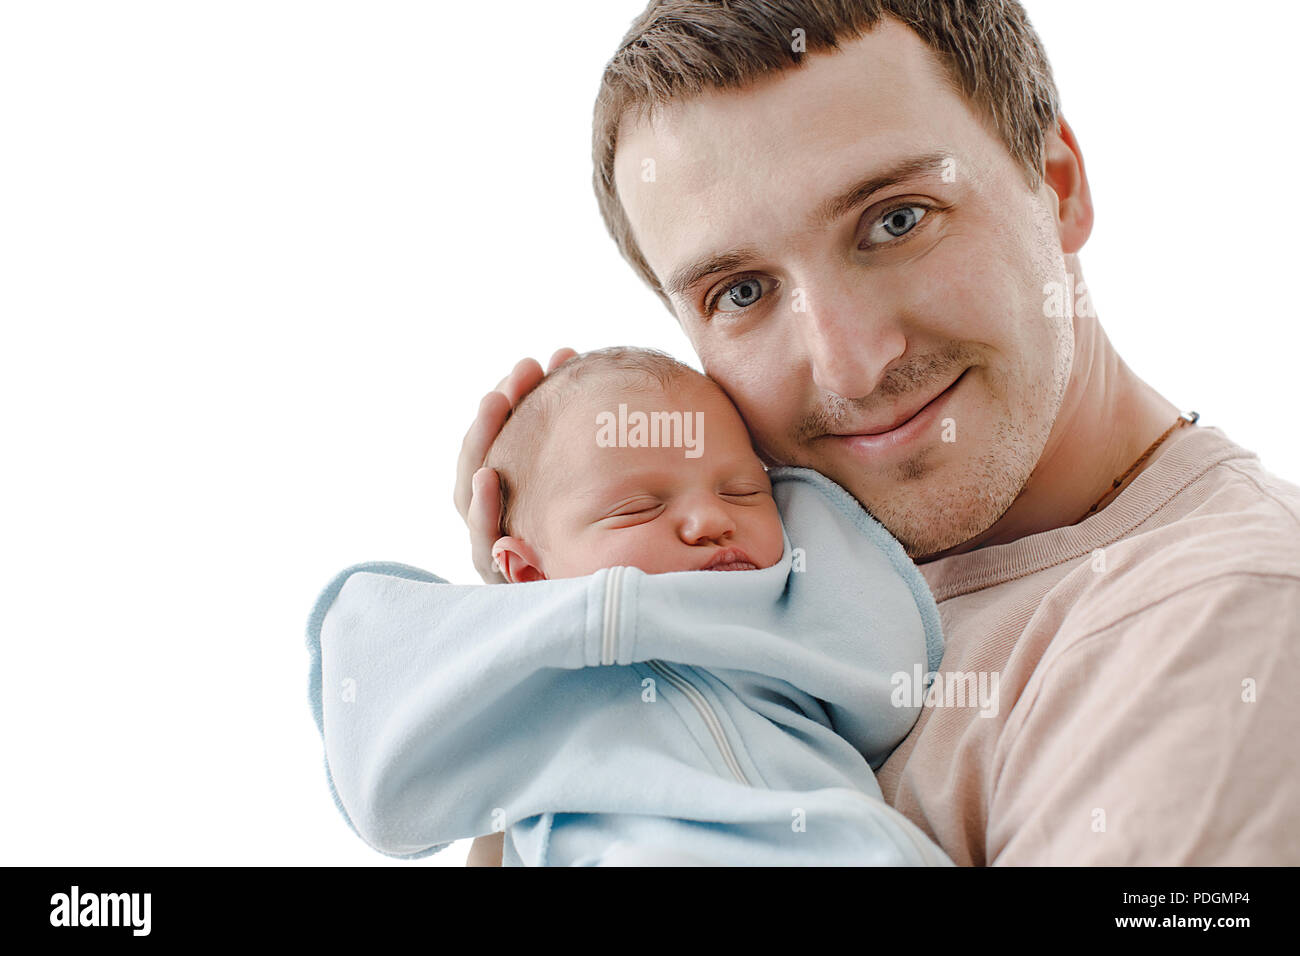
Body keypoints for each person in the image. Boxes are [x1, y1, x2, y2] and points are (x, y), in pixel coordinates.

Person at [458, 0, 1300, 866]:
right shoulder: (768, 595)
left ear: (1059, 182)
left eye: (897, 220)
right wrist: (552, 670)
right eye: (742, 292)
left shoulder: (1220, 624)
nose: (850, 366)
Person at [309, 346, 952, 865]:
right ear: (527, 572)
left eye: (744, 491)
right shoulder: (523, 690)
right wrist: (520, 627)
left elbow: (885, 686)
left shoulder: (790, 629)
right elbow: (397, 772)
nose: (709, 520)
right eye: (639, 508)